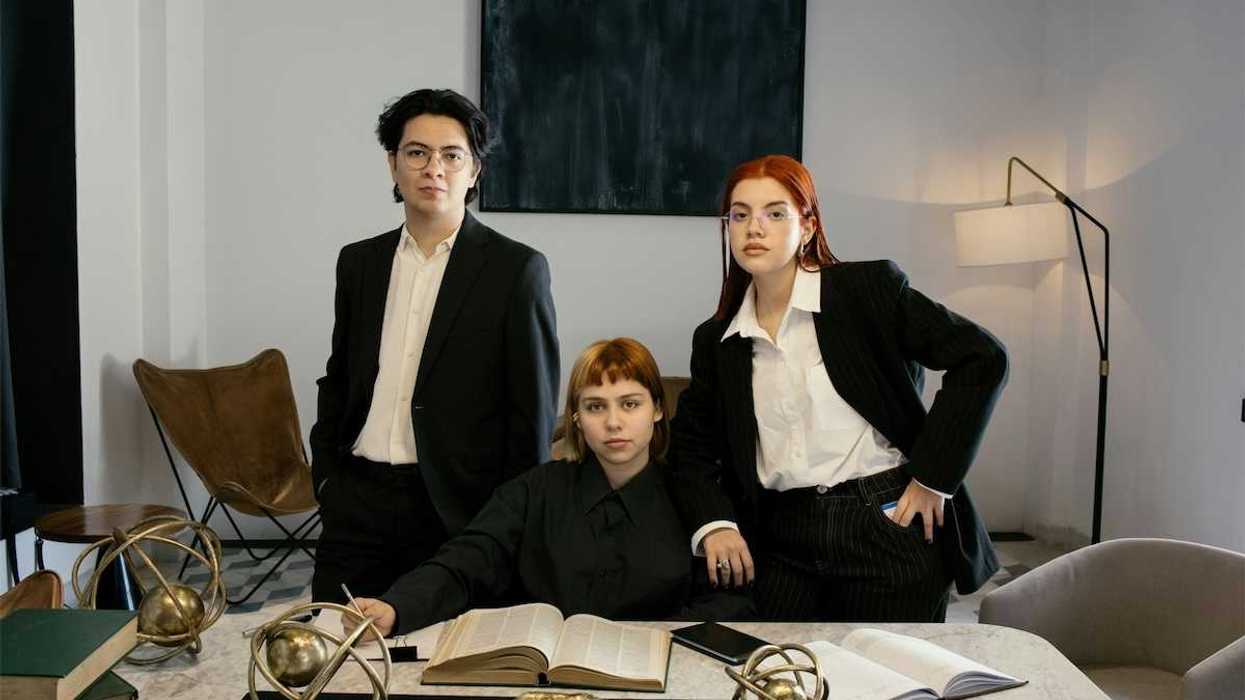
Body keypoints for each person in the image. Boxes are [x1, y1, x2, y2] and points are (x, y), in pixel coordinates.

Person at [668, 155, 1008, 622]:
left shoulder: (867, 291)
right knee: (784, 681)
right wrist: (715, 524)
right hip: (781, 535)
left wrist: (934, 477)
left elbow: (983, 358)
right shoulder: (717, 339)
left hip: (883, 522)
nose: (753, 228)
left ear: (807, 226)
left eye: (774, 213)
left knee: (888, 685)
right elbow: (692, 446)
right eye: (739, 215)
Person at [309, 88, 560, 605]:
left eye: (452, 155)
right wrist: (328, 481)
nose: (433, 168)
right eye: (416, 153)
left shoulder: (516, 270)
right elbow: (340, 379)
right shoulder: (359, 263)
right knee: (334, 655)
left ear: (474, 172)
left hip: (454, 511)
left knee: (442, 666)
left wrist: (504, 525)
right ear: (393, 166)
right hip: (356, 501)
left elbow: (531, 416)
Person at [346, 338, 753, 636]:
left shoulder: (696, 500)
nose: (613, 422)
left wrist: (660, 639)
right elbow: (466, 561)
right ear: (575, 417)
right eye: (595, 406)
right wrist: (396, 607)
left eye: (630, 403)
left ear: (658, 410)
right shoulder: (534, 490)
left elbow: (731, 600)